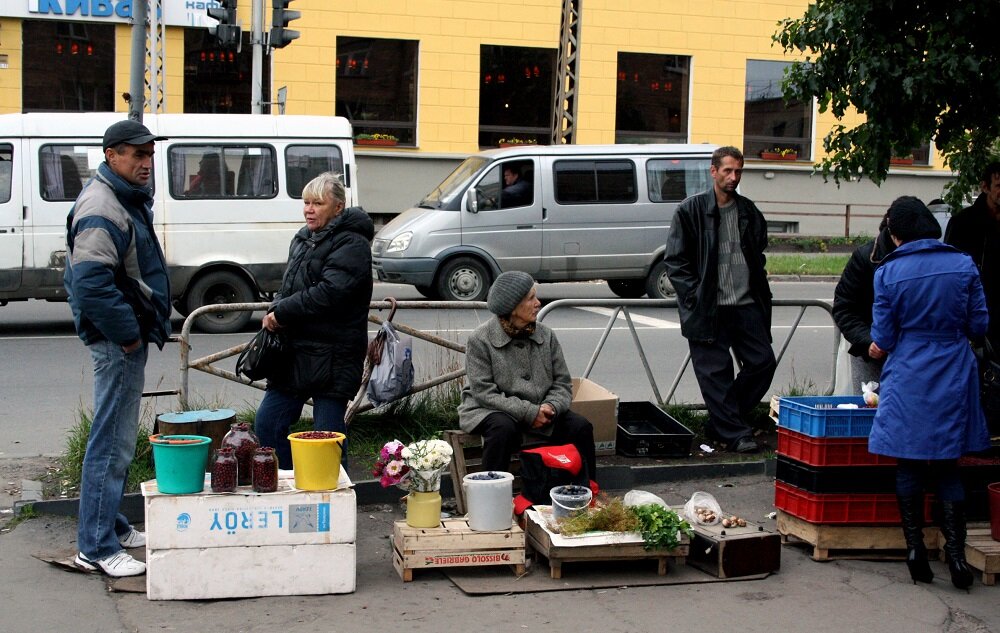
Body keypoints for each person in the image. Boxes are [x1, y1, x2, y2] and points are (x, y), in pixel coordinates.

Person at [65, 120, 171, 578]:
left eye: (149, 154)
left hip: (122, 336)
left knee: (117, 440)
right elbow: (89, 284)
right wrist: (128, 333)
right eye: (135, 154)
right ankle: (96, 547)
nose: (146, 162)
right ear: (111, 155)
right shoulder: (103, 204)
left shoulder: (121, 195)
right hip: (117, 341)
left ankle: (111, 523)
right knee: (112, 443)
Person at [868, 196, 989, 590]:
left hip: (910, 372)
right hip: (954, 368)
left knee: (910, 464)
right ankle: (956, 558)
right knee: (949, 464)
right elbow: (979, 324)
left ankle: (915, 550)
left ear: (895, 233)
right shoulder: (963, 263)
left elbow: (883, 338)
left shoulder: (888, 273)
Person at [253, 172, 374, 469]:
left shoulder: (353, 244)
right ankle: (294, 483)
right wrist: (275, 307)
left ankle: (334, 502)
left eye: (317, 203)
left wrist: (282, 312)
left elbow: (331, 292)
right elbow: (288, 284)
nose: (309, 209)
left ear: (338, 208)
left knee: (328, 441)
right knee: (267, 425)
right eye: (306, 202)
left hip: (334, 355)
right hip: (294, 352)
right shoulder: (303, 238)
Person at [663, 146, 775, 453]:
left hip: (746, 304)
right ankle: (735, 433)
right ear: (713, 172)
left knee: (763, 362)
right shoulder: (691, 210)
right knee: (716, 373)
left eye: (738, 171)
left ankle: (723, 422)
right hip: (708, 308)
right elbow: (675, 261)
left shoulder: (749, 211)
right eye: (727, 170)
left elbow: (758, 255)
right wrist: (696, 296)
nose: (733, 177)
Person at [458, 271, 597, 481]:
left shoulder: (546, 335)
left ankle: (586, 493)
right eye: (531, 298)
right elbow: (484, 392)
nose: (538, 303)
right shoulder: (480, 339)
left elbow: (562, 383)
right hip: (491, 408)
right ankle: (488, 493)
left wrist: (551, 407)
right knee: (502, 429)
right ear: (513, 306)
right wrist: (530, 412)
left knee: (580, 427)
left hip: (543, 409)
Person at [945, 161, 1000, 436]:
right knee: (977, 383)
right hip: (974, 318)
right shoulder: (964, 223)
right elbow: (950, 274)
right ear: (985, 187)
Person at [832, 212, 896, 390]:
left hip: (912, 356)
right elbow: (844, 308)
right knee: (868, 406)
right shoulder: (866, 257)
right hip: (871, 353)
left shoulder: (927, 261)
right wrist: (867, 342)